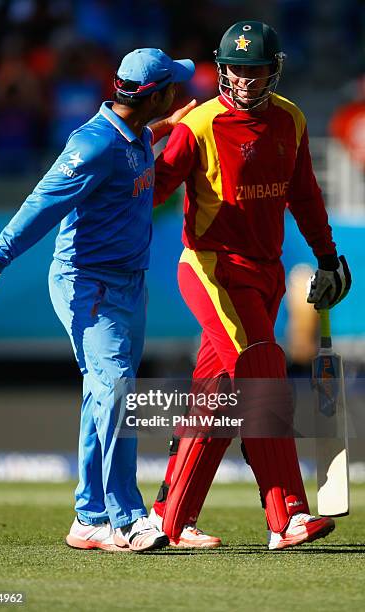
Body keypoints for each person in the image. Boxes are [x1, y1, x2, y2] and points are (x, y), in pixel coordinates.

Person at [0, 48, 195, 553]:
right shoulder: (92, 143)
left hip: (128, 284)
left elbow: (132, 146)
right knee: (116, 394)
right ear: (154, 93)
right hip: (89, 284)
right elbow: (41, 203)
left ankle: (88, 518)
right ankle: (127, 518)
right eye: (173, 85)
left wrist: (166, 126)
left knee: (102, 396)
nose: (181, 90)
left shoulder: (132, 137)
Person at [148, 21, 351, 550]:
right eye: (235, 69)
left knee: (217, 396)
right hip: (211, 267)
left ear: (273, 71)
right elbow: (152, 191)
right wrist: (132, 150)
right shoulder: (200, 124)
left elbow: (304, 196)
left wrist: (328, 258)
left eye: (255, 70)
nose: (243, 80)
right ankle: (286, 516)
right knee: (262, 368)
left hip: (265, 274)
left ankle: (169, 518)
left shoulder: (291, 120)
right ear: (221, 70)